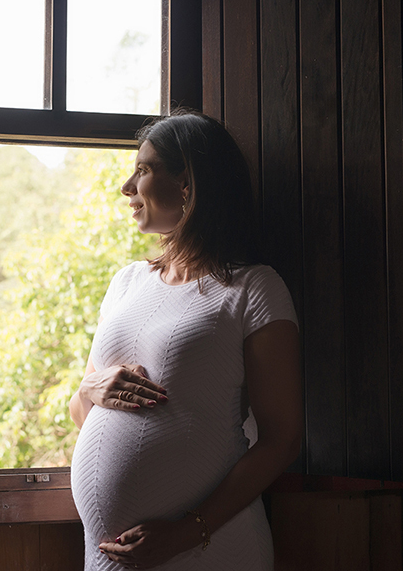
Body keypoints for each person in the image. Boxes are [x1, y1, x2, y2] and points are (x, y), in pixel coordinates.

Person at [69, 110, 302, 570]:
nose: (126, 187)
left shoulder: (253, 288)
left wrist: (184, 532)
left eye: (144, 169)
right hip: (109, 558)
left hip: (208, 549)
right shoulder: (127, 282)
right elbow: (83, 414)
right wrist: (86, 390)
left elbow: (282, 440)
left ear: (187, 183)